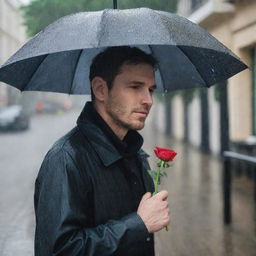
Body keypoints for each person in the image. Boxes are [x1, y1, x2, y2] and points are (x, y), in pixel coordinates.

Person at [34, 46, 170, 256]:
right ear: (100, 89)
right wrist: (138, 224)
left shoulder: (136, 154)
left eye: (150, 90)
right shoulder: (66, 159)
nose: (148, 100)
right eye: (135, 87)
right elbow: (59, 250)